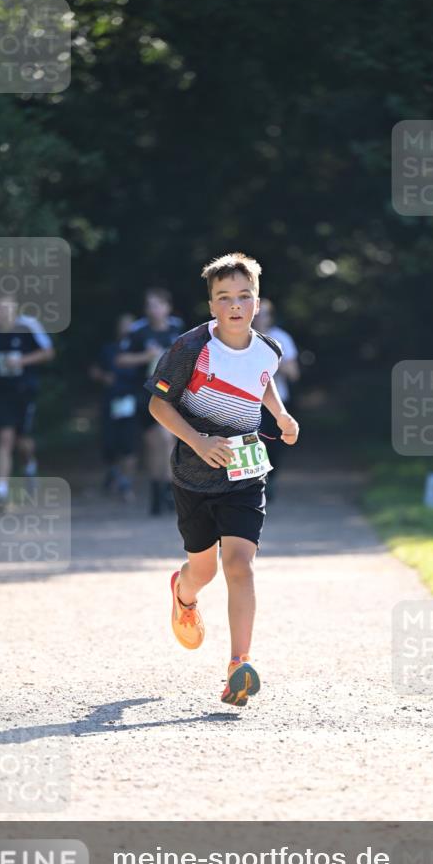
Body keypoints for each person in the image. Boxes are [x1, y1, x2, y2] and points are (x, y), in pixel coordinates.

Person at [144, 253, 300, 706]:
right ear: (211, 305)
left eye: (244, 296)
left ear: (258, 301)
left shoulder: (269, 348)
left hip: (246, 473)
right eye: (224, 298)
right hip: (194, 474)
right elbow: (158, 405)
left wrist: (282, 415)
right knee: (204, 570)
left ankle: (239, 665)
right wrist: (198, 440)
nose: (235, 305)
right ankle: (183, 593)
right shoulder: (190, 349)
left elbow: (263, 378)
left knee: (239, 564)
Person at [0, 294, 54, 509]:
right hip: (1, 391)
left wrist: (21, 360)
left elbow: (48, 352)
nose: (3, 312)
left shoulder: (28, 326)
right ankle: (0, 492)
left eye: (7, 308)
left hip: (25, 390)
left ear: (15, 309)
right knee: (4, 437)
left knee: (23, 441)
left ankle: (29, 465)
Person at [116, 288, 184, 515]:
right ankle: (159, 491)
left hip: (172, 394)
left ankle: (165, 492)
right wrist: (145, 357)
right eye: (149, 305)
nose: (153, 310)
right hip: (146, 394)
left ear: (167, 307)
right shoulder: (138, 331)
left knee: (167, 440)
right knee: (156, 445)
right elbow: (121, 359)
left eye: (157, 305)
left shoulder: (177, 329)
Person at [252, 298, 300, 500]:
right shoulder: (240, 337)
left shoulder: (281, 339)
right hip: (249, 402)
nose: (259, 318)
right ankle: (254, 483)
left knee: (273, 444)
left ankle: (270, 478)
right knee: (253, 440)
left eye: (263, 314)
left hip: (276, 401)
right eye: (257, 313)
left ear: (270, 317)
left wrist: (268, 365)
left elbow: (293, 372)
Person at [89, 313, 139, 500]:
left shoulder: (140, 350)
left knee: (129, 444)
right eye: (123, 325)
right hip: (110, 401)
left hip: (131, 400)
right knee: (109, 443)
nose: (126, 329)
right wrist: (103, 377)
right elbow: (94, 370)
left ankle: (127, 485)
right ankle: (114, 472)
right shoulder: (109, 349)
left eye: (130, 325)